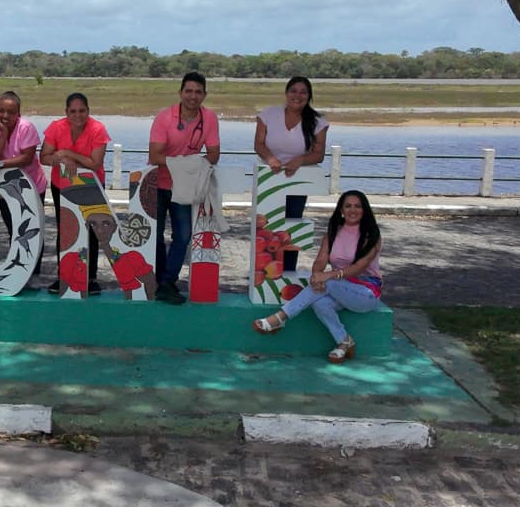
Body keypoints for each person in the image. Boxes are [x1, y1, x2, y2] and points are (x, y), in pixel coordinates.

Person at [252, 190, 382, 364]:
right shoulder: (333, 232)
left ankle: (281, 317)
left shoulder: (371, 235)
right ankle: (345, 341)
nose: (353, 210)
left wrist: (326, 277)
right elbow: (321, 260)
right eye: (348, 206)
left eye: (357, 206)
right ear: (341, 210)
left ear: (364, 209)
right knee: (320, 303)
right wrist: (316, 276)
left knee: (328, 283)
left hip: (365, 293)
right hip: (339, 286)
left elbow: (358, 268)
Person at [147, 72, 220, 305]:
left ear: (204, 95)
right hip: (159, 184)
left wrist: (182, 165)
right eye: (188, 91)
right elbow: (154, 155)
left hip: (186, 188)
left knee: (183, 235)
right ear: (180, 93)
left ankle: (169, 281)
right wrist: (188, 163)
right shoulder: (164, 117)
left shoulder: (209, 118)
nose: (193, 96)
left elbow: (214, 154)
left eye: (198, 92)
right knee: (156, 236)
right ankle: (158, 281)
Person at [40, 92, 111, 295]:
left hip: (92, 185)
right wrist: (60, 159)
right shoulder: (55, 127)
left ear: (88, 111)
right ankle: (64, 275)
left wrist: (66, 153)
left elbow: (95, 163)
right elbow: (44, 157)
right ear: (66, 112)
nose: (77, 115)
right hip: (61, 185)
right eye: (73, 111)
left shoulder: (98, 129)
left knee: (93, 230)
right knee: (66, 230)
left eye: (82, 111)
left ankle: (91, 278)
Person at [255, 75, 329, 270]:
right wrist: (271, 158)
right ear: (286, 93)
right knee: (267, 226)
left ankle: (287, 270)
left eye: (303, 92)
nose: (298, 96)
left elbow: (319, 154)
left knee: (290, 227)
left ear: (309, 96)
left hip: (297, 182)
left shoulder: (318, 122)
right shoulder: (268, 114)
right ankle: (266, 269)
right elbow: (259, 144)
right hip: (269, 180)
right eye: (294, 91)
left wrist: (300, 161)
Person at [0, 91, 48, 285]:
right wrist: (2, 134)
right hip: (6, 190)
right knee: (14, 231)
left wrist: (1, 165)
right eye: (1, 111)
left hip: (33, 187)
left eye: (11, 112)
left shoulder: (26, 128)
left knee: (33, 230)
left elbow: (27, 157)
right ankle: (19, 269)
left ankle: (34, 273)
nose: (6, 115)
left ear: (19, 113)